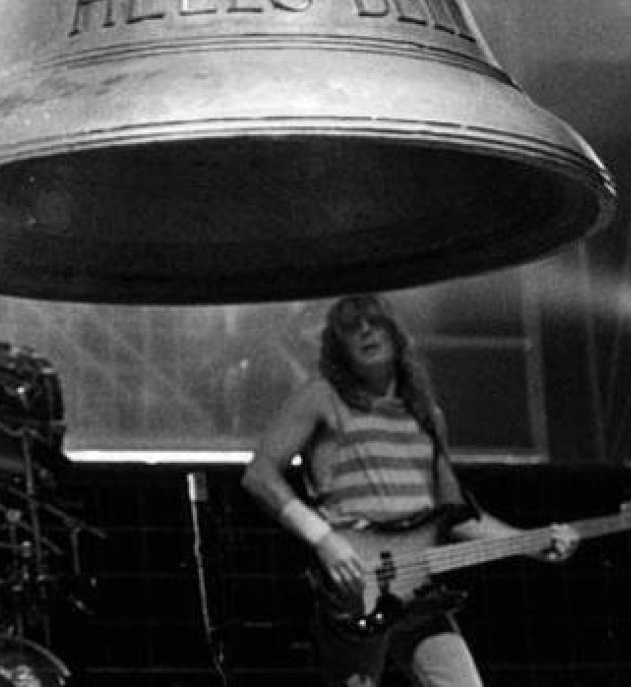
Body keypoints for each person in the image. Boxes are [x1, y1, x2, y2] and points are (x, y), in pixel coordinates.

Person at [241, 293, 578, 687]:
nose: (365, 330)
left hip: (419, 590)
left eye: (374, 321)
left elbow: (455, 515)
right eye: (351, 326)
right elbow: (259, 475)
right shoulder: (320, 397)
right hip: (357, 583)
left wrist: (531, 542)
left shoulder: (426, 414)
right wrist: (324, 539)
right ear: (337, 345)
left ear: (395, 332)